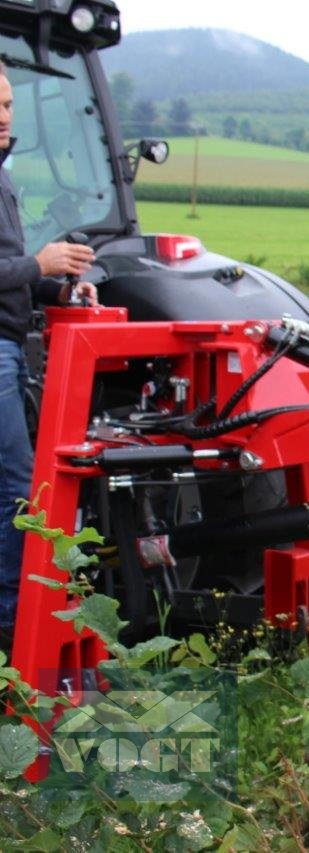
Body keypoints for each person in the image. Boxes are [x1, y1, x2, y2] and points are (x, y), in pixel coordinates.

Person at [0, 62, 98, 636]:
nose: (3, 115)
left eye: (9, 104)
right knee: (12, 491)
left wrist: (60, 283)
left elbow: (12, 273)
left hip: (10, 344)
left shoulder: (4, 181)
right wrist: (38, 262)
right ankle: (17, 639)